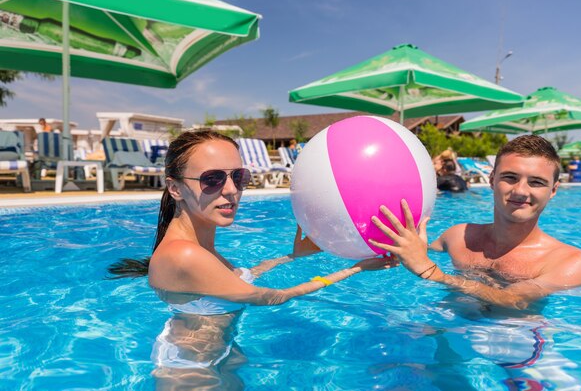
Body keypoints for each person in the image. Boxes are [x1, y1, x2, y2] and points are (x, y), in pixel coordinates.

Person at [107, 129, 394, 389]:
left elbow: (240, 277)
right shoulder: (185, 254)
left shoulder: (197, 247)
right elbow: (273, 297)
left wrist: (292, 256)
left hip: (214, 356)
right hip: (191, 373)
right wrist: (356, 267)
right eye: (213, 179)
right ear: (176, 188)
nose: (231, 190)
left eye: (238, 176)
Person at [369, 135, 581, 310]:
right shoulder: (457, 237)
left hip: (518, 348)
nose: (520, 191)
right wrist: (389, 248)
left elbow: (513, 300)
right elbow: (416, 253)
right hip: (446, 328)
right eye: (510, 178)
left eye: (536, 182)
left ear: (553, 191)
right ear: (491, 180)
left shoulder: (571, 263)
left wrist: (433, 273)